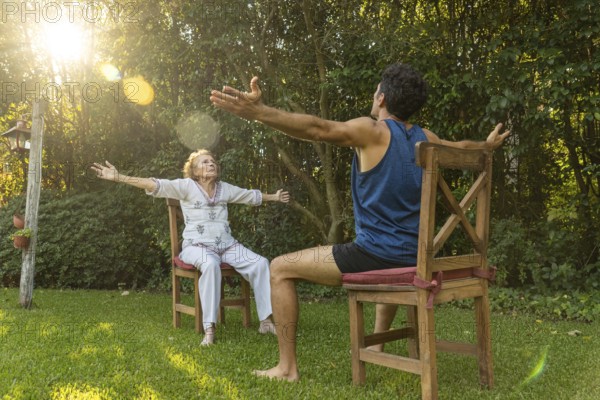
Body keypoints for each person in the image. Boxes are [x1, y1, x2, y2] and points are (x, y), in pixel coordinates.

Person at [210, 62, 510, 380]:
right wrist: (487, 146)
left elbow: (318, 129)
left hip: (376, 255)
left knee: (280, 268)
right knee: (386, 253)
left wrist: (259, 112)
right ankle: (377, 349)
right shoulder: (427, 138)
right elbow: (462, 149)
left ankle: (286, 368)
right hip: (418, 256)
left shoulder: (374, 131)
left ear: (381, 97)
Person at [91, 149, 290, 346]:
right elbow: (153, 184)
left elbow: (248, 196)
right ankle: (209, 328)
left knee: (260, 263)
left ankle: (265, 321)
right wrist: (119, 177)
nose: (211, 164)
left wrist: (274, 197)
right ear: (194, 171)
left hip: (228, 246)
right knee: (211, 265)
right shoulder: (186, 186)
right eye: (204, 162)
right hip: (197, 247)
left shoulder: (224, 188)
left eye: (212, 161)